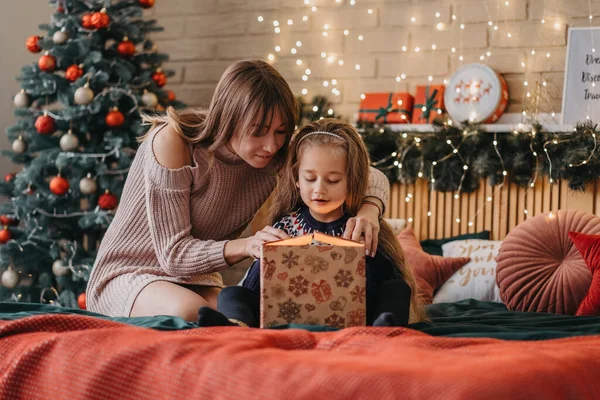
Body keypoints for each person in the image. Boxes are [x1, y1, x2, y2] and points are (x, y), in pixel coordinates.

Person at [86, 60, 390, 321]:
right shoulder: (174, 141)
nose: (271, 145)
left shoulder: (273, 157)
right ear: (229, 117)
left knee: (256, 313)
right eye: (258, 131)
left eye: (281, 132)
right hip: (128, 274)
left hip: (195, 281)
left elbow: (366, 173)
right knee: (189, 311)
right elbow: (173, 256)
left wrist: (370, 209)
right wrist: (247, 245)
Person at [197, 118, 427, 328]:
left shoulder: (357, 227)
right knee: (231, 294)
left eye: (333, 180)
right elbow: (255, 285)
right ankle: (236, 325)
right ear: (297, 178)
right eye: (310, 178)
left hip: (353, 317)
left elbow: (386, 278)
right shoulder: (286, 226)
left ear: (351, 182)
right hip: (285, 314)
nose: (319, 189)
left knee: (397, 288)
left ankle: (384, 329)